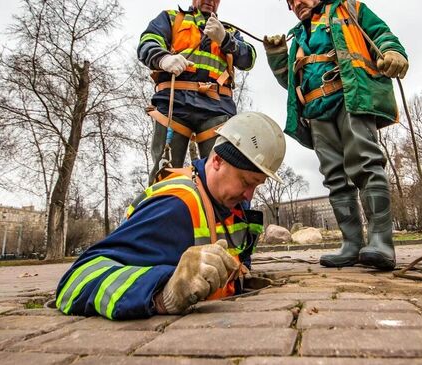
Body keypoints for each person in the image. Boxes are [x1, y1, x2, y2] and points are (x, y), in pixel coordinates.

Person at [55, 112, 286, 320]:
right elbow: (76, 282)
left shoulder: (235, 202)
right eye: (246, 182)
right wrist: (163, 293)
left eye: (257, 184)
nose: (249, 194)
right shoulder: (175, 206)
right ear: (217, 160)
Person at [263, 0, 408, 270]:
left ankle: (381, 242)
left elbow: (381, 33)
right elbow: (291, 81)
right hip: (316, 111)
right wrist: (277, 56)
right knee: (335, 177)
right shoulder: (298, 37)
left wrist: (392, 51)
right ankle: (351, 244)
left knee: (365, 163)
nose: (297, 4)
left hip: (350, 97)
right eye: (291, 2)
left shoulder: (349, 8)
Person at [138, 0, 257, 184]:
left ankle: (215, 212)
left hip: (217, 109)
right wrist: (162, 58)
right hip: (174, 105)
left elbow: (248, 58)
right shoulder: (171, 19)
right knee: (164, 174)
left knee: (222, 177)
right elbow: (147, 42)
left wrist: (225, 39)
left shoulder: (228, 31)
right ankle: (156, 209)